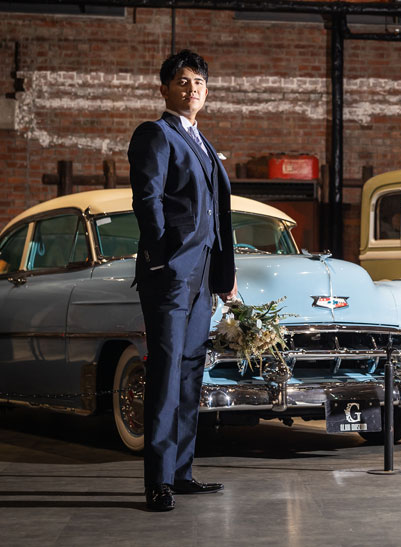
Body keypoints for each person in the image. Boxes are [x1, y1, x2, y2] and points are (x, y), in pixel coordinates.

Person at [128, 50, 237, 512]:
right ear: (165, 89)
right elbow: (147, 200)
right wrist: (162, 260)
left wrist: (223, 276)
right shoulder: (155, 134)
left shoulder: (203, 142)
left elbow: (217, 214)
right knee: (166, 372)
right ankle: (158, 481)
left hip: (203, 277)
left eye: (200, 83)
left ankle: (181, 472)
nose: (193, 90)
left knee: (192, 372)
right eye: (183, 82)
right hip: (171, 275)